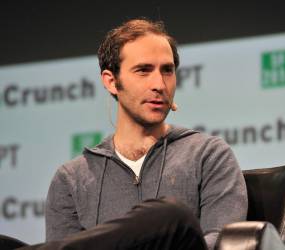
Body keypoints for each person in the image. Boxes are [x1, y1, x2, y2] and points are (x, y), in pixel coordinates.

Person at [44, 18, 247, 250]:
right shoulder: (72, 180)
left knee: (171, 217)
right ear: (111, 81)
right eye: (143, 70)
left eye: (167, 71)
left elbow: (222, 242)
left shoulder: (208, 155)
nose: (159, 84)